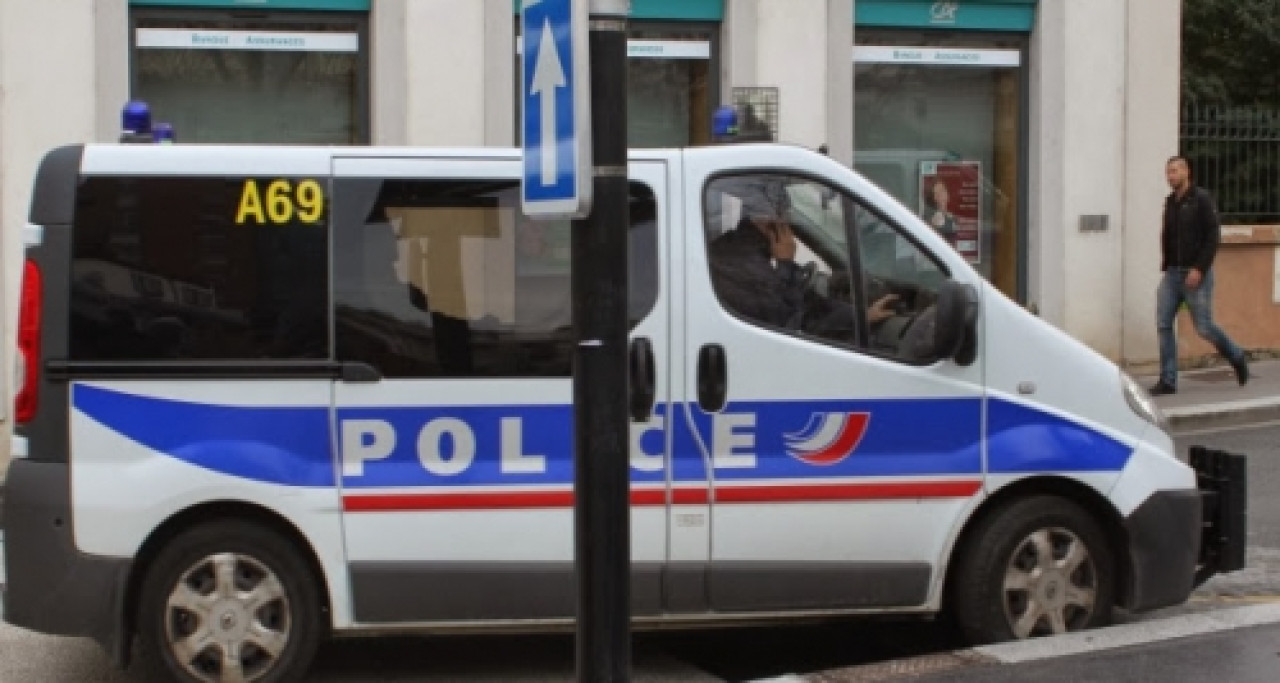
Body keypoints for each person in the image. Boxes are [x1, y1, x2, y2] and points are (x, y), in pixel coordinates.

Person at [708, 193, 898, 333]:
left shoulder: (745, 253)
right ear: (766, 221)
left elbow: (808, 304)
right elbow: (789, 325)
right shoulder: (742, 265)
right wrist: (785, 264)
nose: (788, 228)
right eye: (783, 220)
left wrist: (861, 315)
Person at [1150, 155, 1248, 395]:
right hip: (1173, 273)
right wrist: (1168, 264)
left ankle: (1236, 355)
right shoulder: (1170, 202)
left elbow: (1212, 236)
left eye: (1174, 171)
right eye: (1168, 172)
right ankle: (1168, 380)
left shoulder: (1201, 199)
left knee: (1203, 327)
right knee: (1163, 323)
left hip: (1196, 273)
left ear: (1186, 172)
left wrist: (1199, 269)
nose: (1170, 176)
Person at [921, 178, 957, 246]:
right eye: (936, 193)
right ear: (934, 198)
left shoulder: (952, 217)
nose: (940, 195)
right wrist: (932, 225)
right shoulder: (931, 215)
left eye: (942, 191)